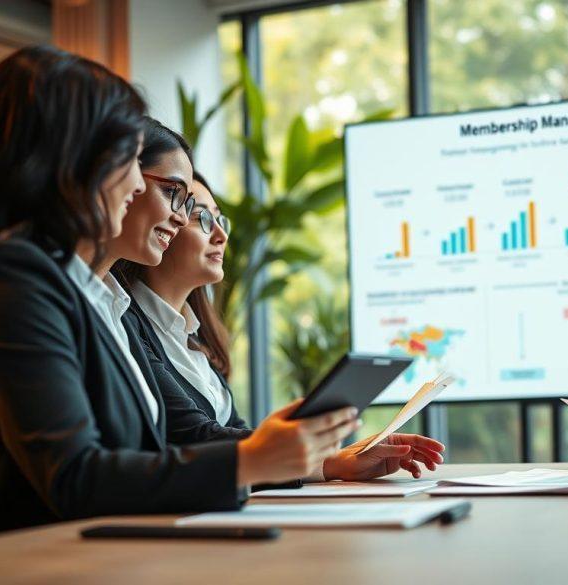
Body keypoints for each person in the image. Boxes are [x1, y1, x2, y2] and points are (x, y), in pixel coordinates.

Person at [0, 47, 357, 538]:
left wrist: (273, 454)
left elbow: (149, 450)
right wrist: (249, 459)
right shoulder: (12, 278)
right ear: (74, 162)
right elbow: (76, 478)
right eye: (125, 160)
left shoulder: (90, 294)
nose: (134, 186)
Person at [114, 166, 444, 480]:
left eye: (219, 220)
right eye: (201, 217)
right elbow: (198, 437)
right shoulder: (126, 325)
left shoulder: (194, 340)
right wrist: (319, 455)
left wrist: (337, 463)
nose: (219, 235)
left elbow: (231, 436)